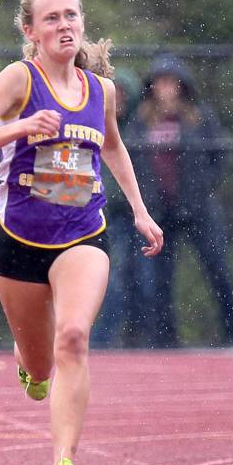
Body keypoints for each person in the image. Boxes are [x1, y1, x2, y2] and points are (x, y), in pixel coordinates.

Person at [0, 0, 163, 465]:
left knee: (73, 337)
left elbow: (112, 147)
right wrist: (20, 126)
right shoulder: (18, 80)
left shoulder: (102, 91)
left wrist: (139, 210)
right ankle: (29, 362)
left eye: (71, 15)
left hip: (83, 235)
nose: (64, 25)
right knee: (42, 367)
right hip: (20, 239)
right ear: (31, 32)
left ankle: (63, 462)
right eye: (51, 18)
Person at [126, 55, 233, 347]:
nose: (166, 88)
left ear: (182, 86)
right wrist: (145, 197)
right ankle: (164, 340)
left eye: (171, 82)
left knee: (217, 269)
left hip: (198, 209)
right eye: (160, 82)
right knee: (158, 279)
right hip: (158, 211)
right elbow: (129, 161)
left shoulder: (199, 116)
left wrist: (202, 189)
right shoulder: (140, 121)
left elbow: (218, 156)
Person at [90, 67, 152, 348]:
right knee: (111, 279)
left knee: (146, 279)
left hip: (141, 214)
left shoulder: (141, 127)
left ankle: (148, 340)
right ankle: (101, 341)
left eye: (123, 96)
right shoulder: (91, 126)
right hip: (106, 214)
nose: (118, 103)